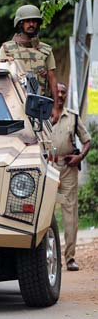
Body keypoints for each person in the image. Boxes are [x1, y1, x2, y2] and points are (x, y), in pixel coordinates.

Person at [51, 82, 91, 271]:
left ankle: (70, 258)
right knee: (44, 214)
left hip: (68, 168)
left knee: (70, 215)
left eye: (63, 92)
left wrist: (80, 157)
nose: (60, 94)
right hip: (47, 167)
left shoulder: (72, 117)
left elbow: (87, 140)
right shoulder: (42, 116)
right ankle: (47, 257)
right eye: (57, 91)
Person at [0, 5, 58, 104]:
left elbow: (52, 79)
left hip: (39, 103)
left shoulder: (45, 50)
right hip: (14, 102)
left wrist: (55, 107)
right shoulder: (6, 49)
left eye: (34, 21)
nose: (31, 24)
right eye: (27, 21)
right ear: (20, 23)